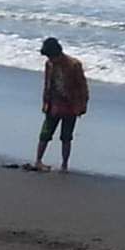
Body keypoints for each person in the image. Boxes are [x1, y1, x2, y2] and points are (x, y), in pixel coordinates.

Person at [34, 37, 89, 172]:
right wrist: (45, 102)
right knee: (45, 133)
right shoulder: (49, 64)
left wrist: (82, 106)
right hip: (53, 103)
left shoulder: (74, 65)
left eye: (52, 57)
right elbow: (47, 85)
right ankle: (38, 161)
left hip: (71, 105)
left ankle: (64, 165)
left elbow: (83, 87)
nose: (51, 60)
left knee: (66, 136)